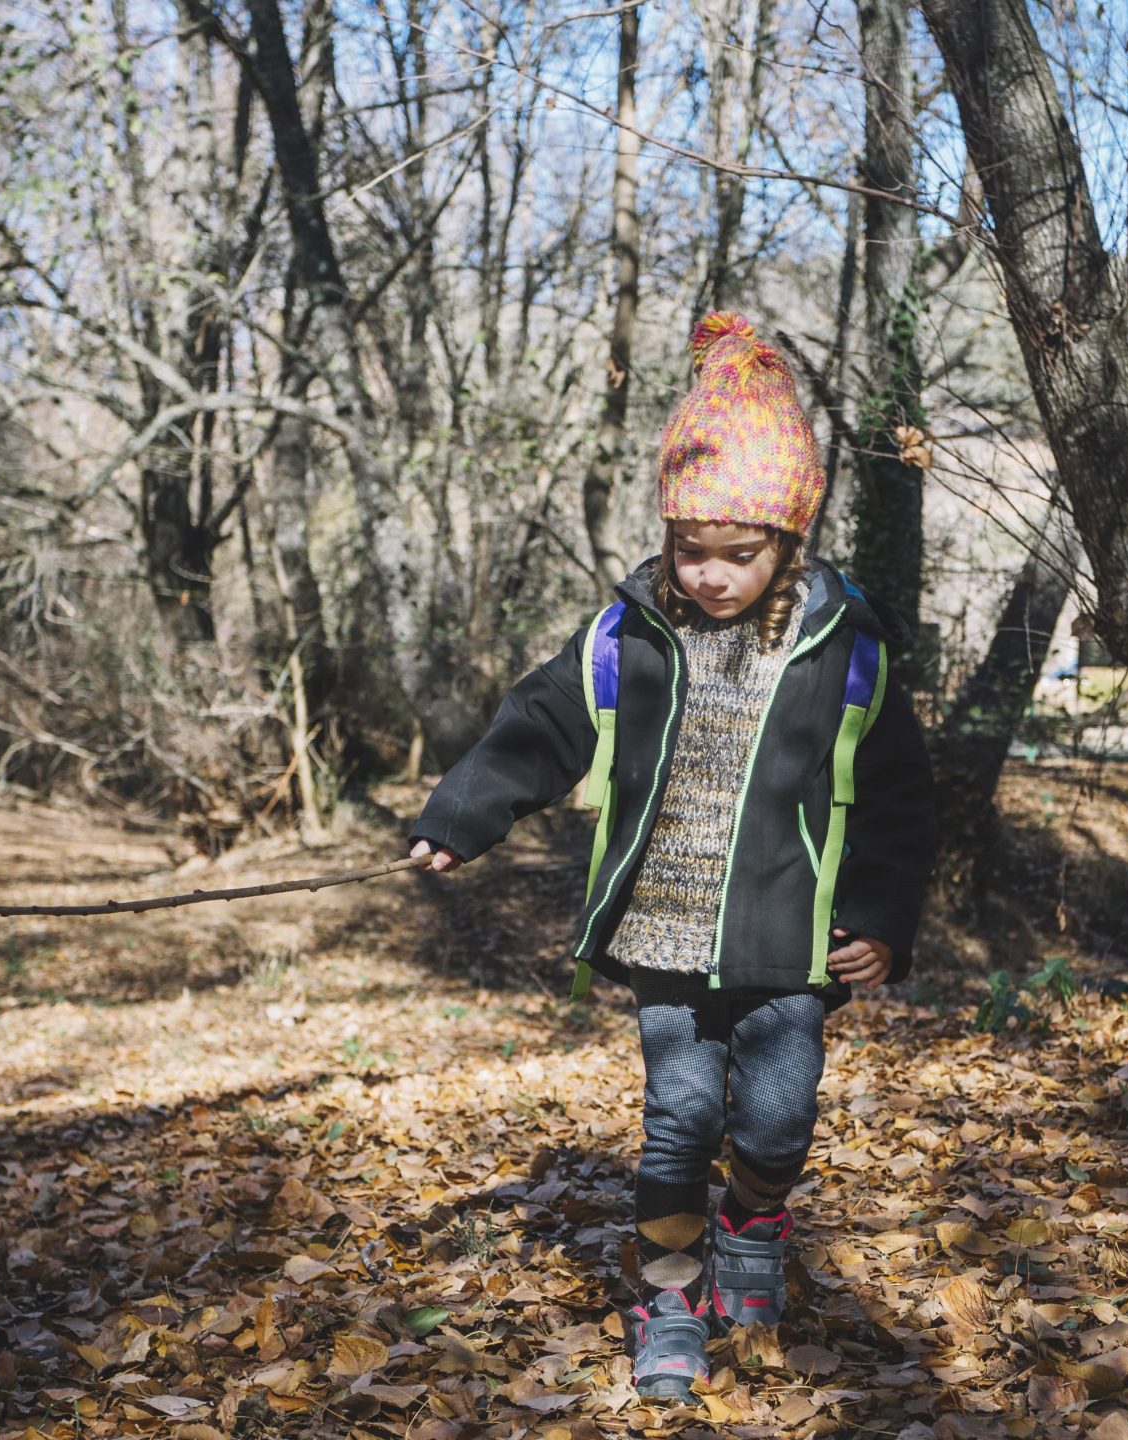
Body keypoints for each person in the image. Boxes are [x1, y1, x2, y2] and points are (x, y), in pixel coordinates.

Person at [405, 311, 938, 1403]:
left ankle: (755, 1214)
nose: (706, 575)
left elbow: (897, 802)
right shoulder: (628, 633)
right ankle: (670, 1294)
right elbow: (540, 725)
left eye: (736, 555)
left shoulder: (845, 652)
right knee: (678, 1118)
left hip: (792, 938)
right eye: (688, 550)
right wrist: (460, 818)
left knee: (777, 1120)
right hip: (661, 932)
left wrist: (880, 920)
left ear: (787, 541)